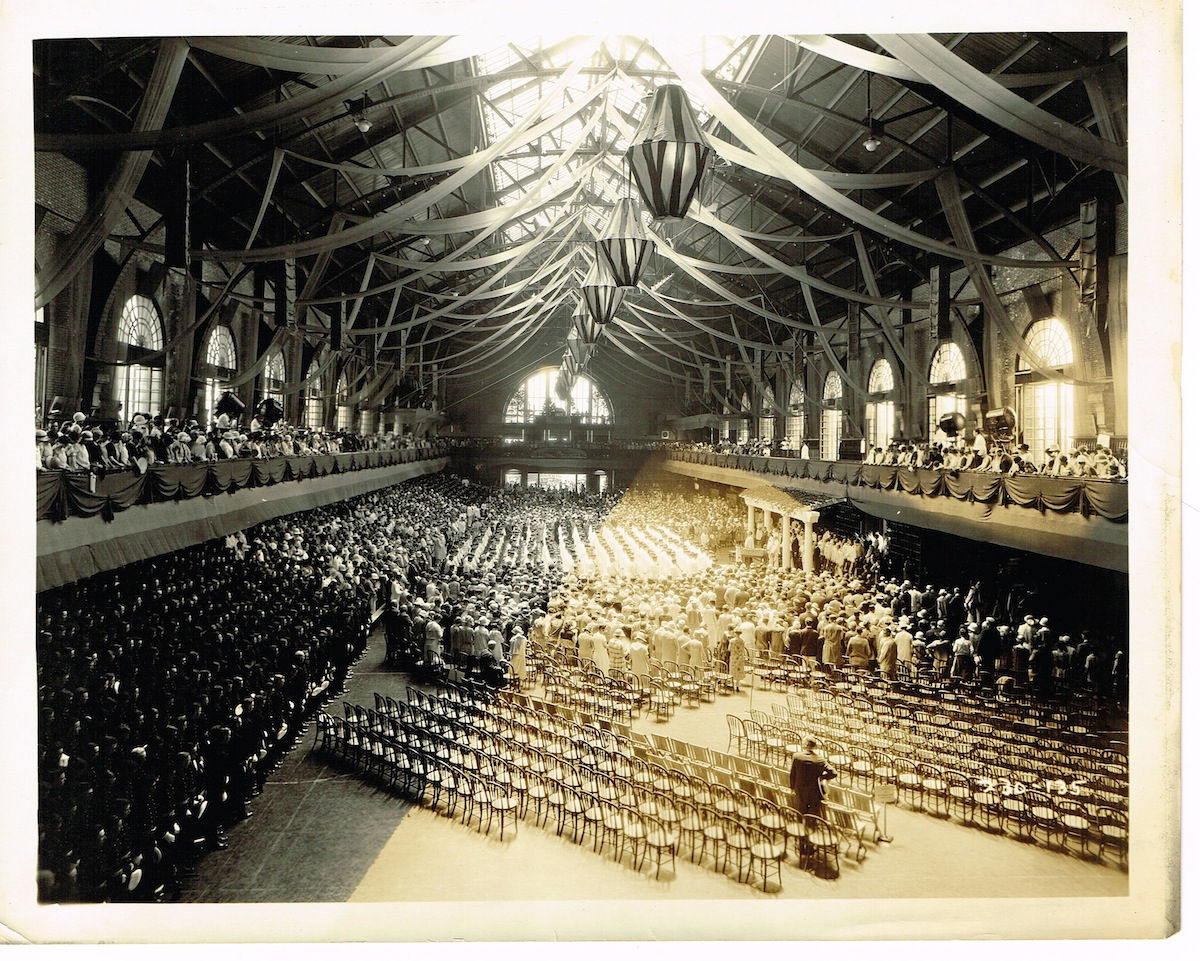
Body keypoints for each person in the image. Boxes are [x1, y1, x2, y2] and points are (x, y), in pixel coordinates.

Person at [789, 736, 837, 817]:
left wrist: (792, 788)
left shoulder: (797, 756)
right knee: (813, 814)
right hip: (814, 791)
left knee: (801, 811)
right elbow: (834, 773)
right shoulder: (820, 760)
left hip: (800, 789)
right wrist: (822, 777)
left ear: (806, 745)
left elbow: (792, 774)